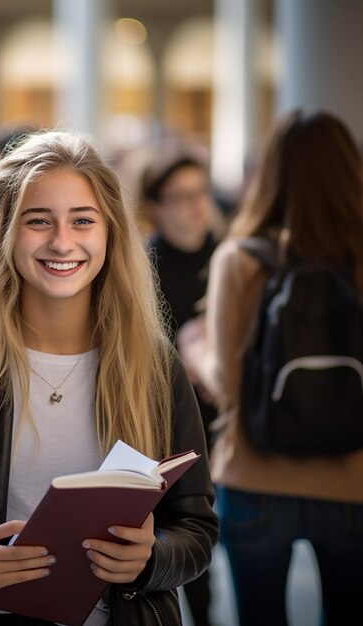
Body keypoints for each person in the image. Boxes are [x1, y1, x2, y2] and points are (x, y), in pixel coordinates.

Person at [0, 130, 219, 626]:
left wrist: (152, 558)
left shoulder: (152, 364)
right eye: (38, 221)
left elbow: (196, 526)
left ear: (110, 231)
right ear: (6, 232)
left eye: (83, 221)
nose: (62, 241)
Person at [178, 110, 363, 626]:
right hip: (355, 481)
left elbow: (228, 384)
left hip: (257, 478)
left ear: (272, 171)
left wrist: (195, 346)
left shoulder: (241, 258)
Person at [143, 154, 219, 626]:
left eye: (201, 193)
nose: (196, 207)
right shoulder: (142, 265)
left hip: (227, 417)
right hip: (168, 417)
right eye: (182, 197)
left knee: (217, 528)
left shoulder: (230, 255)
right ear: (156, 207)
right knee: (181, 528)